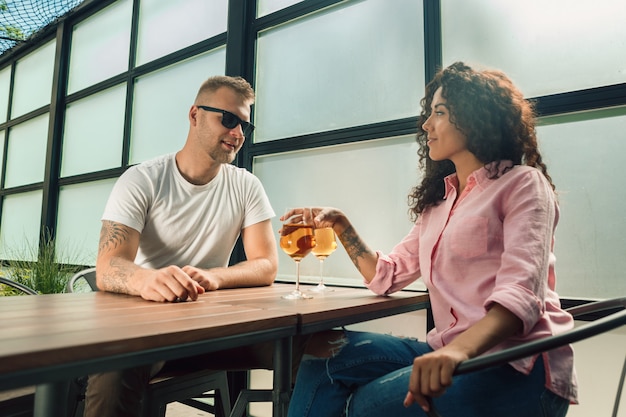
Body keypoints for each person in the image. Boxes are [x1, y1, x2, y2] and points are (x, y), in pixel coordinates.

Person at [285, 62, 577, 417]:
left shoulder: (523, 184)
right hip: (447, 353)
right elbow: (387, 275)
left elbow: (522, 297)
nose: (426, 125)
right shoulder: (439, 203)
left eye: (439, 112)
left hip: (515, 365)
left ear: (474, 116)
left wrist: (454, 352)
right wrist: (341, 225)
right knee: (321, 353)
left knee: (360, 408)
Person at [84, 75, 279, 416]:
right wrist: (147, 280)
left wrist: (215, 277)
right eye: (229, 120)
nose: (238, 135)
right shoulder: (142, 179)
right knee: (114, 372)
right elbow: (107, 267)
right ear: (194, 115)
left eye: (244, 125)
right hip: (147, 331)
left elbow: (266, 264)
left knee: (317, 347)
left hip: (213, 330)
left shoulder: (247, 186)